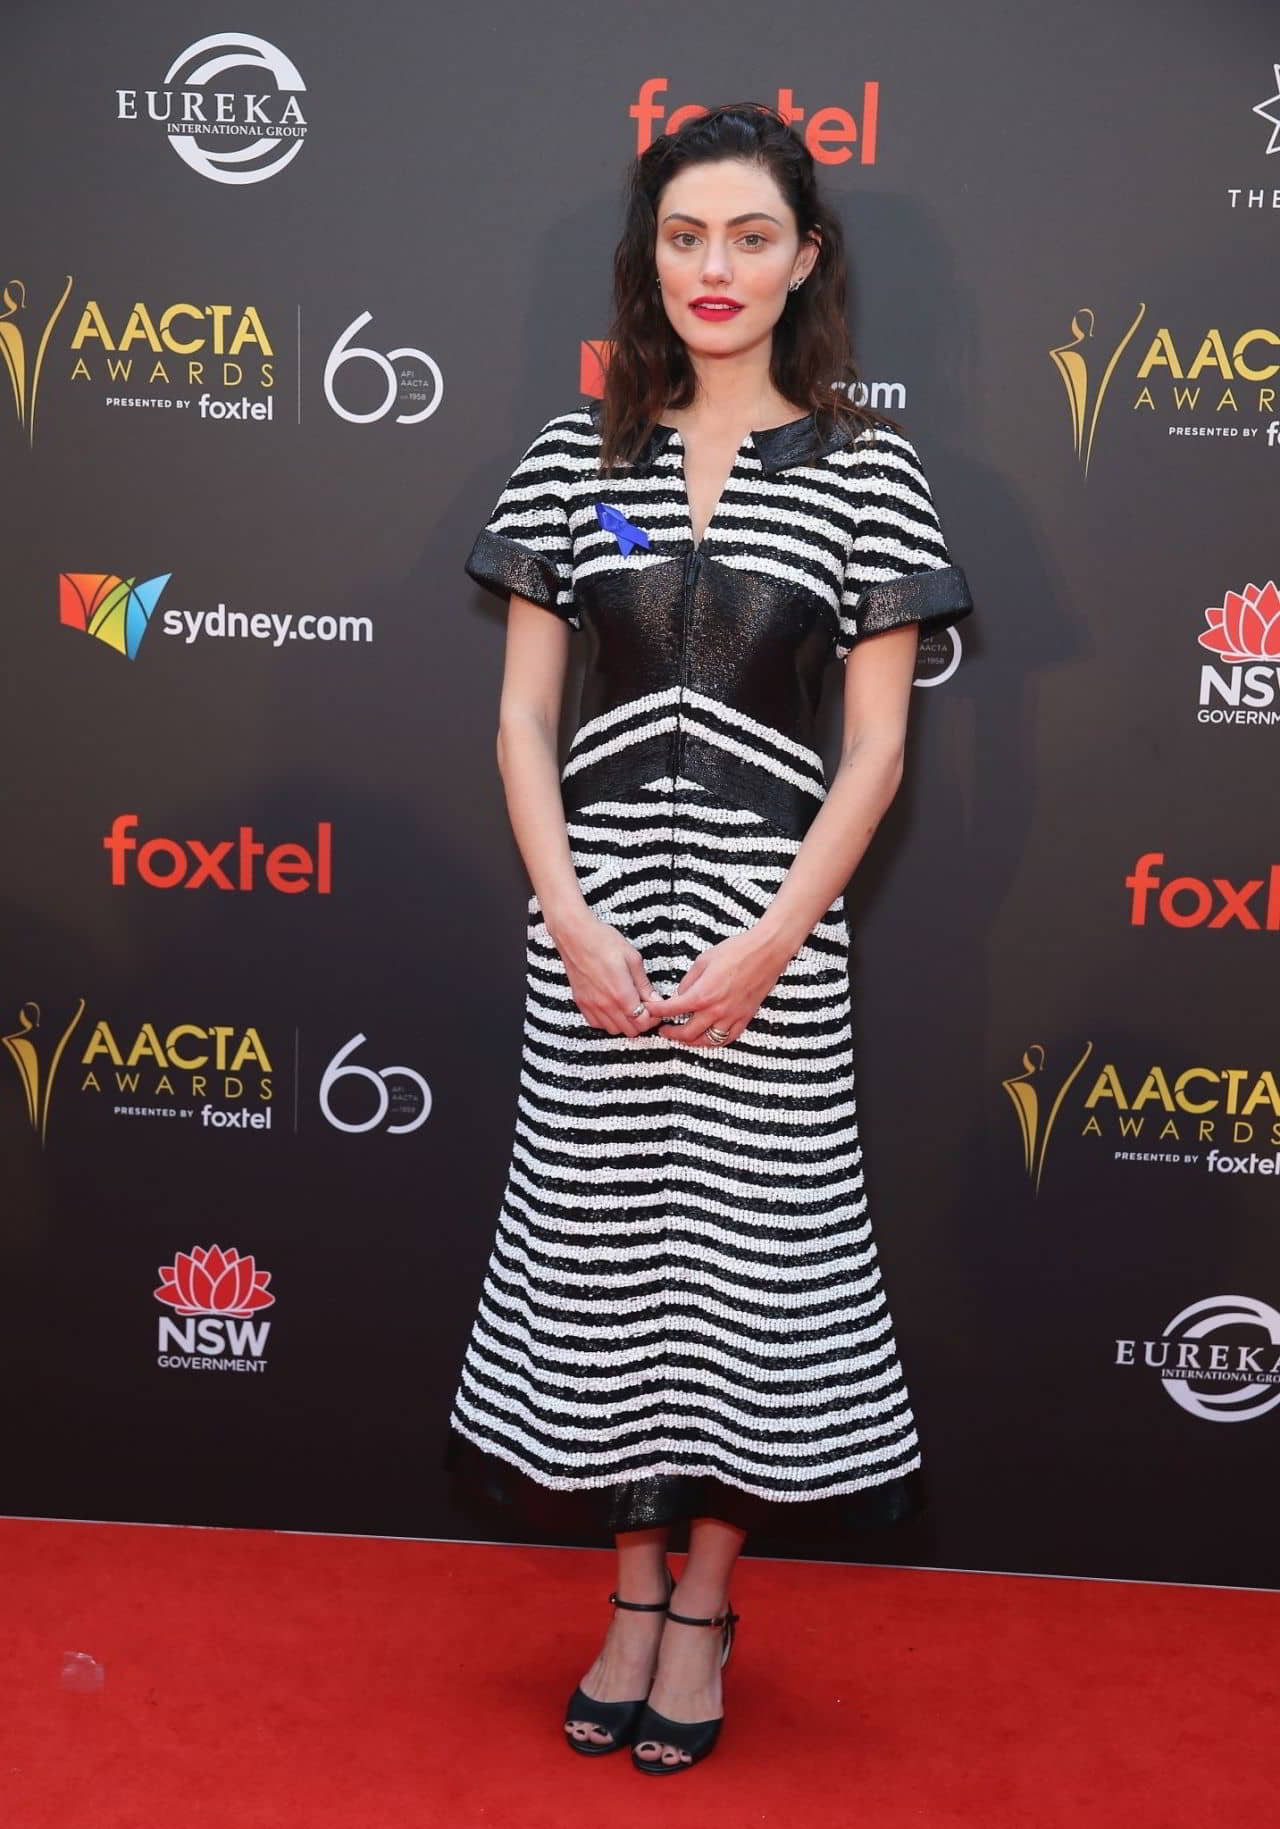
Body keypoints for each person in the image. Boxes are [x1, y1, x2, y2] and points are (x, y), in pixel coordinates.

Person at [443, 100, 973, 1776]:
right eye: (685, 237)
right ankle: (626, 1594)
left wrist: (768, 944)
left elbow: (877, 750)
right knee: (604, 1285)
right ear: (647, 259)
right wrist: (571, 917)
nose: (714, 269)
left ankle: (705, 1608)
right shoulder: (572, 458)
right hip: (589, 934)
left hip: (771, 944)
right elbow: (527, 724)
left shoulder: (868, 470)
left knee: (754, 1282)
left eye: (751, 236)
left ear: (804, 256)